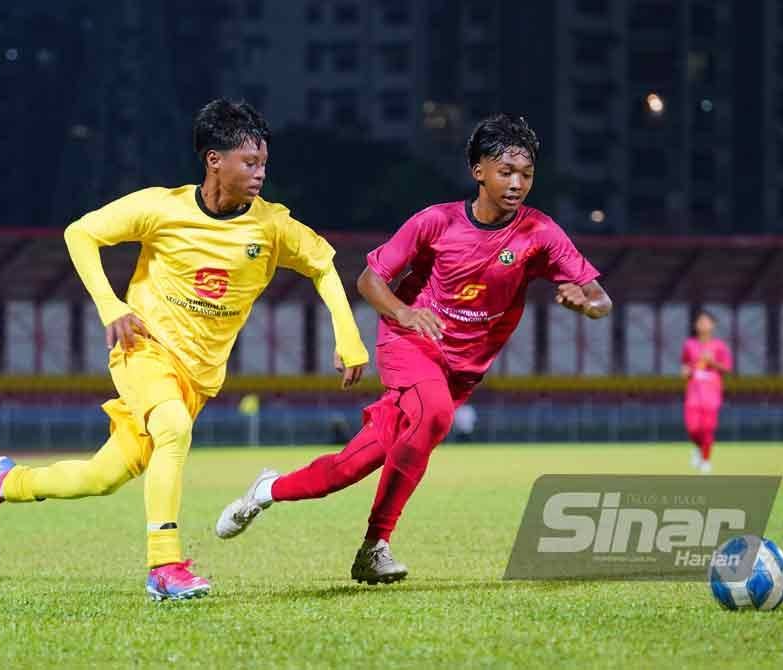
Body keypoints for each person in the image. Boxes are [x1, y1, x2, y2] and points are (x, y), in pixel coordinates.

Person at [0, 99, 368, 600]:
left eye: (263, 163)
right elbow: (79, 233)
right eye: (249, 163)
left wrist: (347, 335)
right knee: (173, 427)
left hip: (197, 378)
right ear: (214, 160)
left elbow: (324, 265)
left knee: (101, 477)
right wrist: (110, 306)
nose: (260, 174)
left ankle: (4, 482)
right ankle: (164, 566)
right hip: (143, 350)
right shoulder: (160, 208)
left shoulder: (272, 227)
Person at [215, 114, 612, 584]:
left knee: (343, 471)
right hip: (410, 343)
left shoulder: (540, 232)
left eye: (526, 174)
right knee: (435, 415)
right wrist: (404, 314)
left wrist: (587, 305)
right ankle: (376, 545)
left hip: (462, 370)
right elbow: (369, 280)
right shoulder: (435, 222)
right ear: (478, 171)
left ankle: (266, 490)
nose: (517, 183)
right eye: (505, 171)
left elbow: (600, 298)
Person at [681, 310, 732, 474]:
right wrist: (685, 372)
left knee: (708, 429)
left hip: (712, 394)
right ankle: (697, 448)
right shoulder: (690, 345)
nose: (702, 324)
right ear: (695, 325)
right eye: (700, 321)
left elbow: (727, 368)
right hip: (694, 394)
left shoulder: (720, 346)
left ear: (713, 325)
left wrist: (712, 363)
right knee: (693, 428)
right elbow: (685, 365)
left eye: (706, 321)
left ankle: (705, 460)